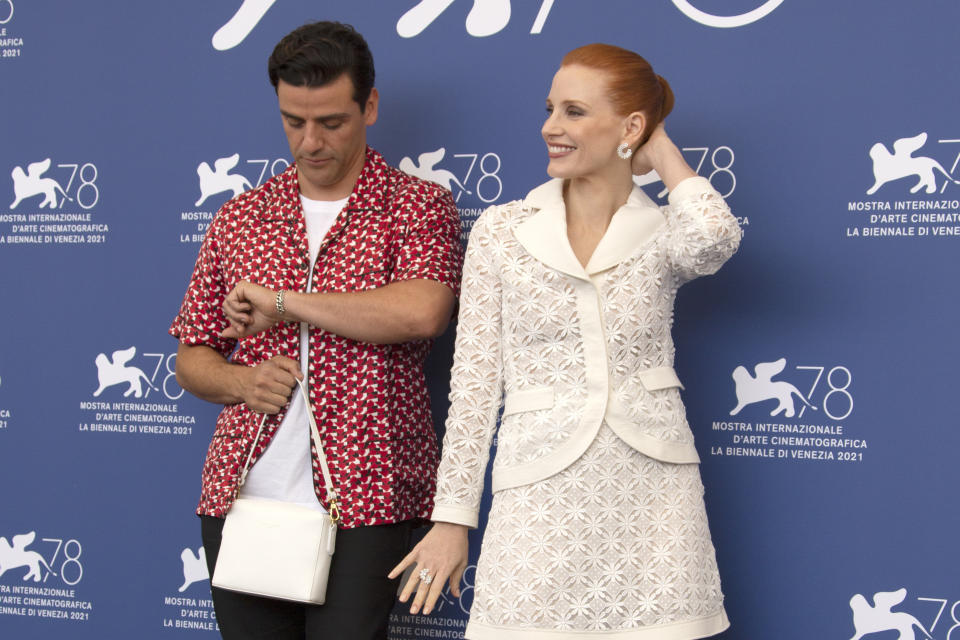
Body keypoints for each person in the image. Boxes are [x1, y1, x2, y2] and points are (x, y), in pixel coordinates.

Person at [389, 43, 742, 639]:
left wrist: (658, 148)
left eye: (574, 111)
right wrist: (452, 518)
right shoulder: (502, 230)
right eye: (550, 108)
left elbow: (714, 239)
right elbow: (475, 385)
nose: (550, 126)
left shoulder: (663, 229)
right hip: (538, 484)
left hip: (653, 491)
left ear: (629, 126)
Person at [169, 21, 463, 640]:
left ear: (370, 107)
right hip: (243, 495)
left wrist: (285, 302)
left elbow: (422, 311)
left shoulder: (416, 205)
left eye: (331, 121)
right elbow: (191, 356)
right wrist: (241, 381)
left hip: (370, 495)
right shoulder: (242, 214)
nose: (310, 142)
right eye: (293, 121)